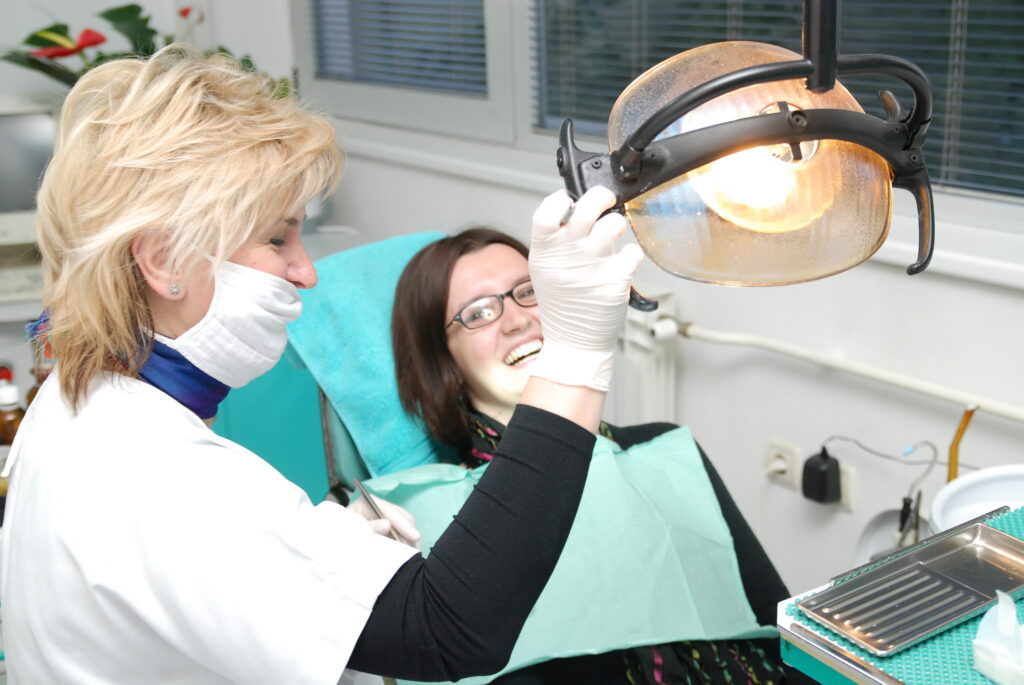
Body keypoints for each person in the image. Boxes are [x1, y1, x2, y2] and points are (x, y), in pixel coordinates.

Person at [0, 45, 644, 684]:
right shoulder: (157, 472)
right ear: (164, 261)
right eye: (277, 237)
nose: (307, 273)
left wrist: (314, 554)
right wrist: (577, 352)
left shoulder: (71, 401)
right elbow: (450, 631)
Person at [392, 227, 812, 685]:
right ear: (443, 360)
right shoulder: (430, 518)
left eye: (529, 292)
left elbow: (782, 634)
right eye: (478, 313)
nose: (516, 320)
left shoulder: (664, 451)